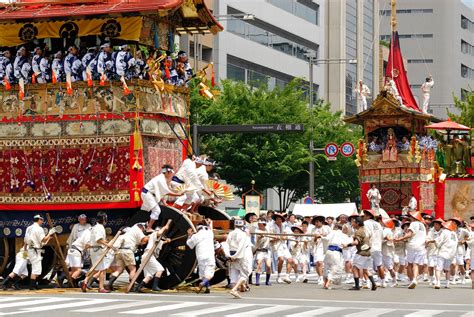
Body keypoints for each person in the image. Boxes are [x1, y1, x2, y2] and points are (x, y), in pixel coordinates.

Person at [107, 223, 148, 291]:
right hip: (127, 251)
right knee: (133, 269)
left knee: (119, 270)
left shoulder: (129, 230)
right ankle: (131, 286)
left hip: (119, 251)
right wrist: (151, 236)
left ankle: (109, 284)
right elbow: (144, 240)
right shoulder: (137, 229)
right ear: (142, 228)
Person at [141, 165, 181, 231]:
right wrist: (178, 194)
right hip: (147, 194)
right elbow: (166, 192)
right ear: (168, 172)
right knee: (157, 210)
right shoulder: (161, 179)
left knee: (155, 210)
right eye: (171, 173)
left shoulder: (162, 178)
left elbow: (160, 191)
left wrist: (164, 202)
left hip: (149, 194)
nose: (171, 174)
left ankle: (148, 226)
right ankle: (148, 228)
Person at [134, 223, 171, 292]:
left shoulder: (157, 240)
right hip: (149, 256)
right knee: (160, 269)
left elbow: (162, 242)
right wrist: (165, 227)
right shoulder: (154, 235)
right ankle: (155, 286)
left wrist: (167, 241)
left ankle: (138, 288)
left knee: (149, 275)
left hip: (147, 256)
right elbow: (159, 233)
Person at [82, 211, 112, 293]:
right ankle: (101, 287)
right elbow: (98, 240)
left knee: (96, 268)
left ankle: (85, 281)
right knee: (102, 270)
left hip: (95, 249)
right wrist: (107, 244)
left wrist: (105, 242)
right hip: (97, 250)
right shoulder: (100, 227)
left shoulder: (95, 227)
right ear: (104, 219)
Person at [395, 211, 427, 289]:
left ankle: (410, 280)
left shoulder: (413, 224)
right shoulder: (423, 225)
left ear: (414, 218)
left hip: (412, 246)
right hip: (421, 247)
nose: (410, 218)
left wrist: (399, 239)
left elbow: (409, 234)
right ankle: (415, 279)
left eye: (411, 217)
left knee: (409, 264)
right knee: (416, 264)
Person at [24, 214, 56, 290]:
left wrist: (25, 252)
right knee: (36, 269)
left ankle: (34, 285)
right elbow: (43, 239)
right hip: (35, 250)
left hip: (30, 249)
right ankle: (32, 286)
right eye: (42, 220)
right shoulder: (39, 229)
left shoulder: (29, 228)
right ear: (39, 220)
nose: (42, 222)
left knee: (36, 269)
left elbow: (25, 239)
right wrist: (49, 233)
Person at [427, 219, 457, 289]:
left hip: (443, 252)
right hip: (451, 254)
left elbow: (439, 240)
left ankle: (438, 282)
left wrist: (433, 242)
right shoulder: (454, 234)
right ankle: (447, 284)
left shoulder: (445, 232)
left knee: (438, 268)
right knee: (447, 269)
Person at [187, 220, 216, 294]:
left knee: (203, 273)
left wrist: (189, 235)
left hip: (201, 256)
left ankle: (207, 287)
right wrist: (210, 223)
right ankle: (204, 284)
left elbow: (190, 245)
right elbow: (210, 228)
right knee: (209, 272)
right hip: (209, 255)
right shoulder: (210, 233)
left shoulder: (196, 235)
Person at [348, 216, 377, 291]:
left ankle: (357, 286)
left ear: (357, 223)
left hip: (361, 252)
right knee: (365, 269)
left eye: (353, 222)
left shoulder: (358, 231)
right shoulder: (365, 230)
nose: (352, 223)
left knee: (354, 268)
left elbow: (356, 242)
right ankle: (373, 283)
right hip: (368, 252)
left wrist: (347, 245)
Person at [227, 219, 253, 298]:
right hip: (243, 255)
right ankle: (234, 289)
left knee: (235, 272)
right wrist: (236, 256)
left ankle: (239, 288)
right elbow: (242, 247)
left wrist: (230, 255)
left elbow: (227, 244)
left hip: (232, 254)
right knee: (245, 273)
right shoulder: (244, 234)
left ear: (235, 225)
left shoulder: (231, 233)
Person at [322, 223, 351, 289]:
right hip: (336, 253)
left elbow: (325, 239)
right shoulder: (345, 236)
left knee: (327, 267)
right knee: (335, 268)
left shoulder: (332, 233)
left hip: (328, 252)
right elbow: (347, 246)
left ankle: (325, 283)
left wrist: (321, 236)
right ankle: (328, 282)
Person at [363, 209, 385, 287]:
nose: (364, 217)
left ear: (368, 215)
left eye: (365, 215)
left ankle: (368, 283)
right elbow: (382, 235)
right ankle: (383, 282)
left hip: (369, 246)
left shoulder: (365, 223)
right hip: (378, 246)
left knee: (365, 265)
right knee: (379, 264)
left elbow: (366, 235)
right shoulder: (378, 224)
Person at [270, 213, 294, 284]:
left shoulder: (285, 226)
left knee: (290, 260)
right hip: (276, 246)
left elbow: (290, 234)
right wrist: (275, 238)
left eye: (280, 219)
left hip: (284, 245)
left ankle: (287, 276)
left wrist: (286, 237)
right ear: (275, 220)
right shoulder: (272, 227)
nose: (279, 220)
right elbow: (269, 237)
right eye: (277, 219)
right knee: (281, 259)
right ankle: (278, 276)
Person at [311, 216, 332, 285]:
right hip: (317, 247)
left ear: (321, 222)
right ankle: (320, 277)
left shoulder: (327, 228)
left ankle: (325, 277)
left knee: (325, 264)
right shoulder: (313, 230)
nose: (316, 223)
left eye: (317, 222)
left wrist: (324, 235)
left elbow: (331, 236)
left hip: (326, 247)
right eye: (315, 222)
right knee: (318, 262)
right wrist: (315, 238)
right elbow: (312, 241)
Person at [253, 218, 272, 286]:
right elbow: (257, 238)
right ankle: (257, 281)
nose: (259, 225)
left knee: (268, 266)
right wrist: (260, 236)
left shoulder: (267, 230)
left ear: (264, 224)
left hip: (267, 251)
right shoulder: (257, 230)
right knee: (259, 265)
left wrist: (275, 237)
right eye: (259, 224)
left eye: (261, 224)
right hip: (260, 250)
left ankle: (267, 281)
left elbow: (271, 237)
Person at [380, 217, 397, 287]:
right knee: (382, 266)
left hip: (386, 251)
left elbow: (382, 238)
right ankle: (383, 281)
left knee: (389, 267)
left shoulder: (386, 230)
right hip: (386, 250)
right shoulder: (388, 230)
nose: (381, 223)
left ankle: (394, 280)